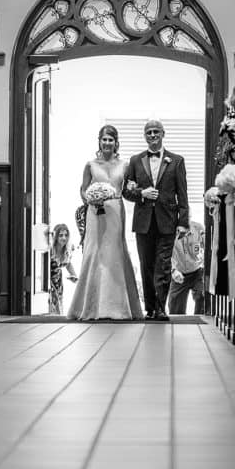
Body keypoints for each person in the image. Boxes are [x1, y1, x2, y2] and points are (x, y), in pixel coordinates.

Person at [68, 125, 143, 321]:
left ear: (116, 143)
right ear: (99, 142)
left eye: (111, 139)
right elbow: (83, 191)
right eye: (104, 139)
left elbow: (128, 189)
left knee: (115, 252)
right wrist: (91, 198)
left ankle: (117, 306)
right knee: (95, 252)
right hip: (95, 213)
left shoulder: (125, 166)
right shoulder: (90, 165)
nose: (107, 143)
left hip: (116, 210)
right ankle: (91, 307)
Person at [122, 119, 190, 321]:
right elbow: (126, 191)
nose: (152, 135)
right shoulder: (135, 161)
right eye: (148, 132)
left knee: (163, 265)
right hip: (143, 222)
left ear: (163, 133)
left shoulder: (176, 160)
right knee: (146, 265)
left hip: (167, 220)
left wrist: (183, 222)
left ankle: (161, 308)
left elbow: (182, 194)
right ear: (145, 136)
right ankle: (150, 308)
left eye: (156, 132)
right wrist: (142, 193)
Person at [167, 220, 205, 315]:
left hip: (197, 271)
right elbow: (165, 255)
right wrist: (173, 270)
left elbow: (208, 248)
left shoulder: (198, 228)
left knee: (203, 297)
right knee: (175, 312)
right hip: (179, 274)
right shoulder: (168, 231)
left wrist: (204, 263)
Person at [48, 223, 79, 315]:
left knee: (58, 307)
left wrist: (74, 276)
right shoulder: (50, 250)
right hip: (49, 282)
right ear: (56, 236)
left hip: (59, 283)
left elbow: (68, 264)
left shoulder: (67, 251)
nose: (64, 238)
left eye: (66, 235)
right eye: (60, 235)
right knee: (51, 308)